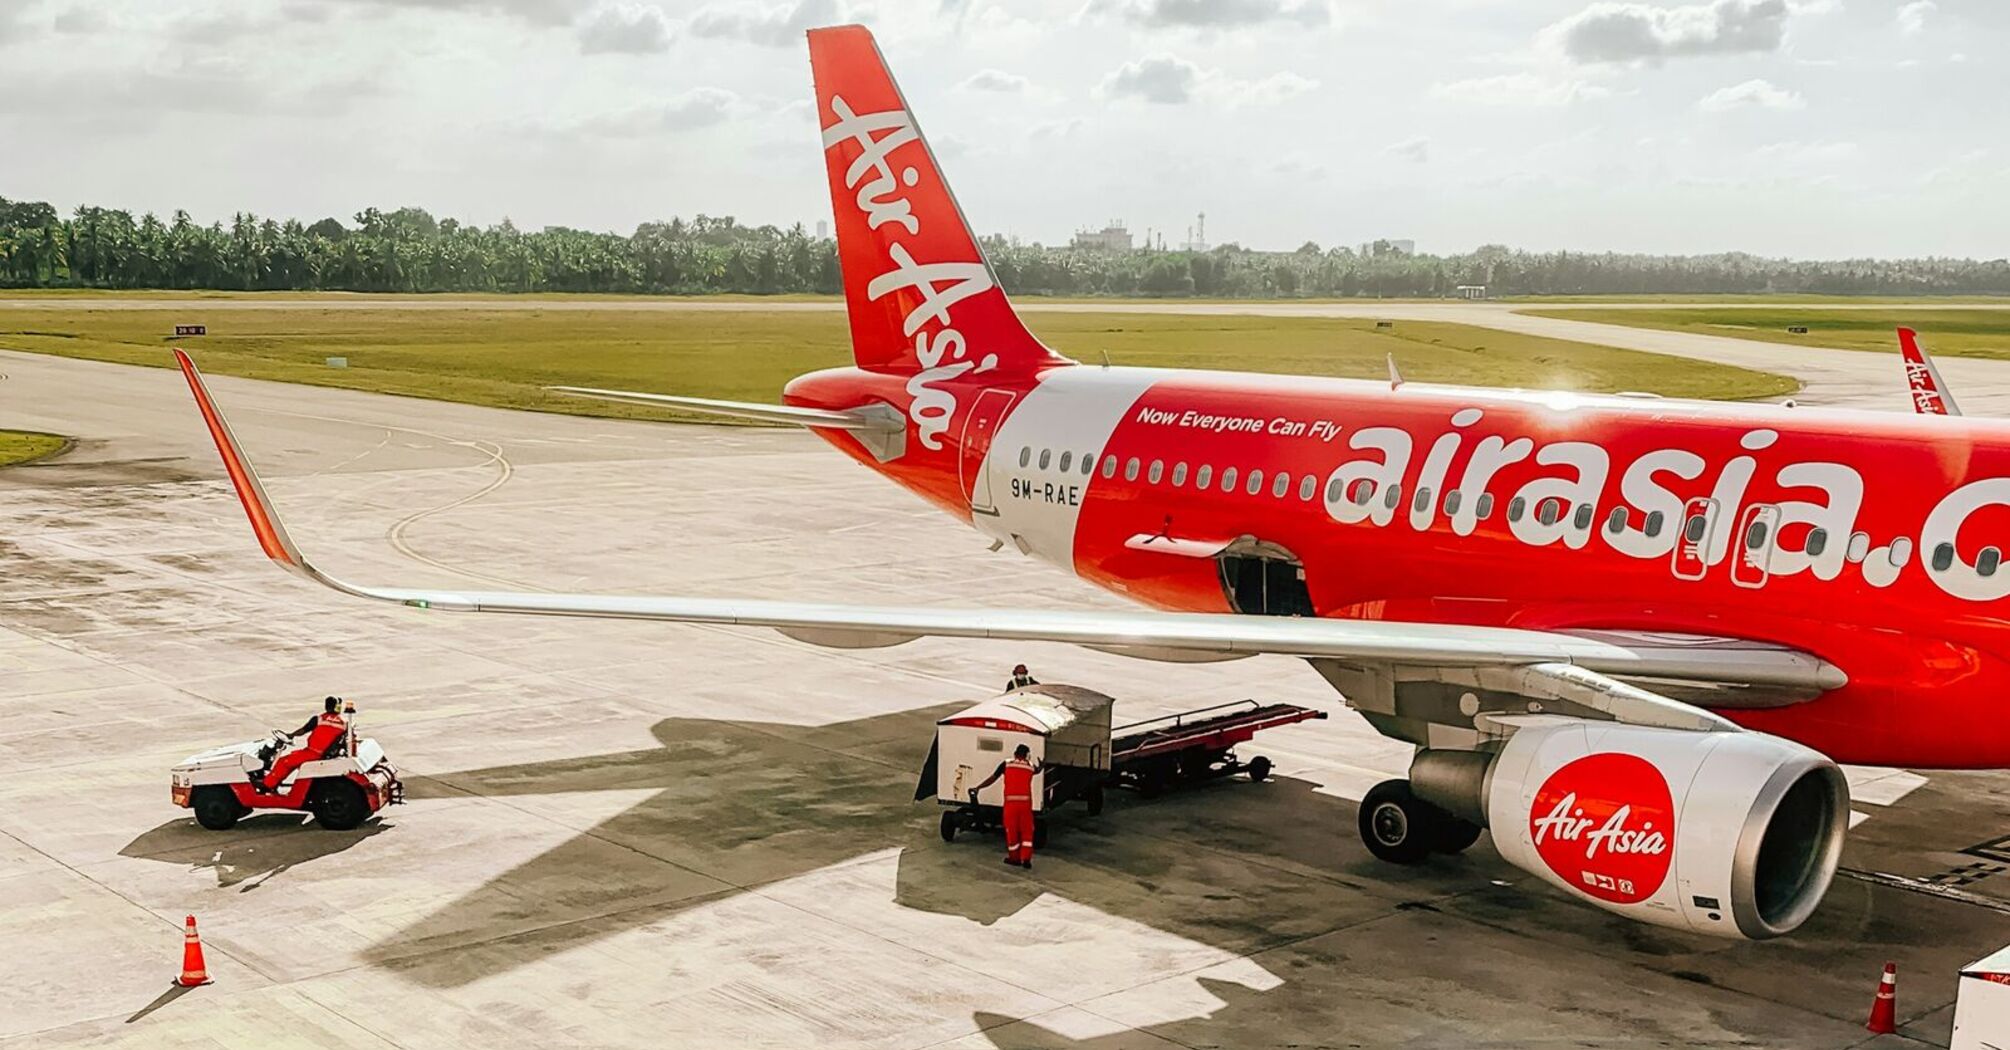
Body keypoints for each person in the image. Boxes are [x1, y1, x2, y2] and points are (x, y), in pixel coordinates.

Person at [971, 743, 1044, 868]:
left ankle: (1014, 858)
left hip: (1011, 804)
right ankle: (1026, 858)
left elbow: (993, 778)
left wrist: (978, 787)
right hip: (1025, 804)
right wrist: (1042, 765)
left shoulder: (1006, 764)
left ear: (1015, 754)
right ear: (1027, 756)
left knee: (1012, 830)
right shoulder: (1030, 766)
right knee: (1027, 831)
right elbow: (1038, 769)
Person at [256, 695, 349, 792]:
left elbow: (303, 730)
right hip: (326, 754)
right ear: (338, 707)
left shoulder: (319, 719)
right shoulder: (345, 723)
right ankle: (276, 781)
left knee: (284, 762)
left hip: (313, 753)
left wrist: (291, 735)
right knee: (293, 759)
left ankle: (268, 785)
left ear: (326, 706)